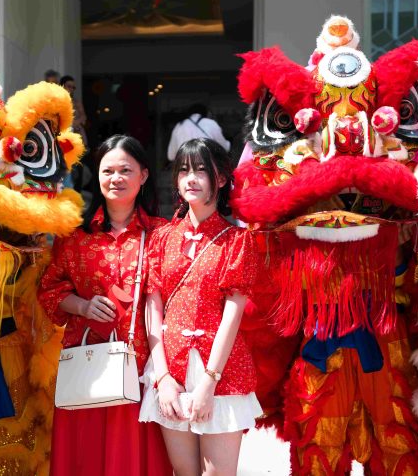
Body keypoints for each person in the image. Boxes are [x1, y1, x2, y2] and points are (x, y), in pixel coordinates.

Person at [39, 135, 172, 476]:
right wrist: (82, 307)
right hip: (88, 366)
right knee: (86, 456)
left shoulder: (162, 234)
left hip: (143, 368)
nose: (116, 178)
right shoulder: (74, 236)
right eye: (107, 171)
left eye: (125, 170)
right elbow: (49, 291)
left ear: (143, 175)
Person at [140, 137, 262, 476]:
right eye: (183, 171)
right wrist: (162, 377)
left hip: (220, 370)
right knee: (184, 473)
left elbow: (232, 317)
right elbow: (153, 308)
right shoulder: (162, 237)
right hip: (171, 369)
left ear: (220, 178)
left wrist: (209, 382)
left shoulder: (237, 241)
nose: (190, 179)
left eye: (200, 171)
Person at [167, 104, 231, 161]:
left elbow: (171, 156)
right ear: (206, 113)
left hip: (185, 165)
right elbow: (225, 148)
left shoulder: (179, 126)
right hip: (207, 165)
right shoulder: (211, 123)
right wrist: (229, 143)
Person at [60, 75, 90, 192]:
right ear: (62, 86)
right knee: (66, 170)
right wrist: (72, 124)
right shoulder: (58, 102)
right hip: (64, 141)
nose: (71, 89)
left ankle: (76, 193)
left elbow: (84, 117)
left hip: (78, 140)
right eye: (69, 86)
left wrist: (75, 123)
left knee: (79, 168)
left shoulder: (76, 102)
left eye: (73, 87)